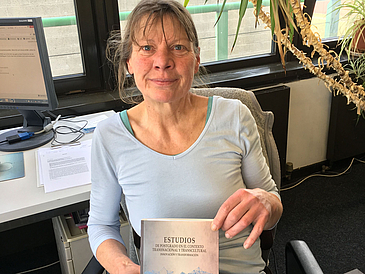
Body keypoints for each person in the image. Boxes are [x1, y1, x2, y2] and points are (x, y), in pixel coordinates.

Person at [87, 0, 283, 273]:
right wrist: (122, 267)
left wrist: (267, 202)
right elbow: (101, 225)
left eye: (178, 47)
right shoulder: (109, 136)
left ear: (196, 58)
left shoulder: (235, 116)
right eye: (147, 48)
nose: (162, 62)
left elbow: (271, 205)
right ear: (128, 62)